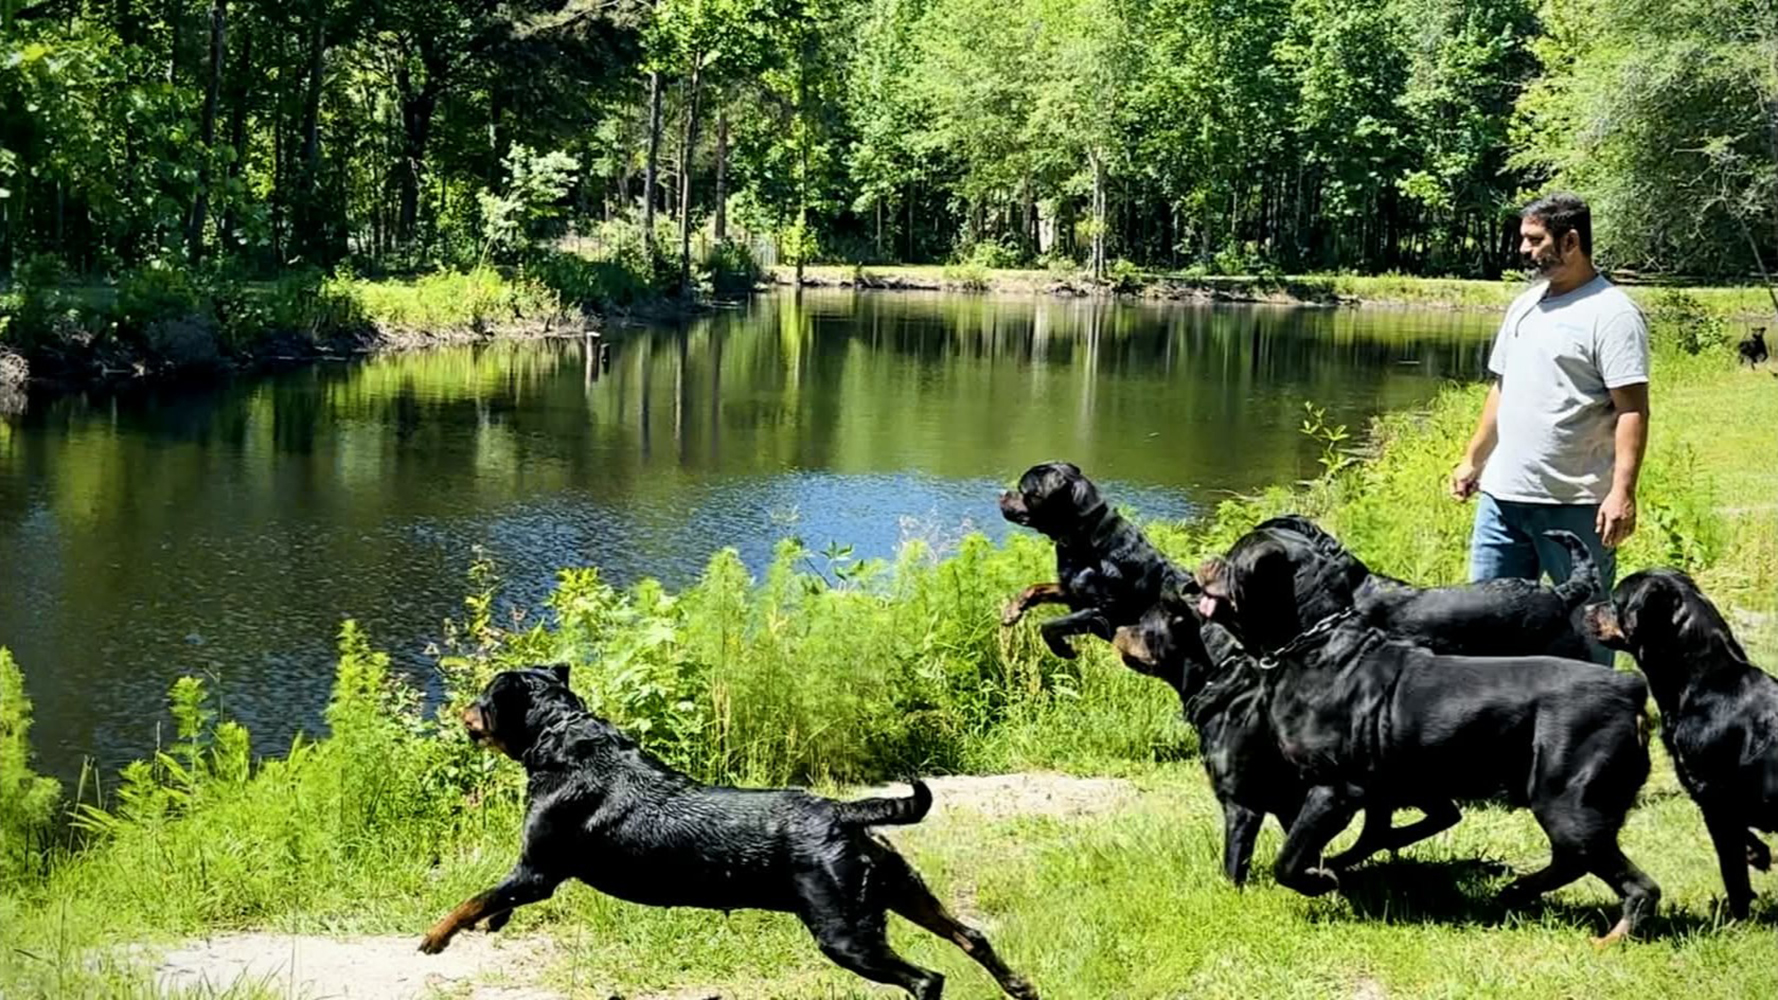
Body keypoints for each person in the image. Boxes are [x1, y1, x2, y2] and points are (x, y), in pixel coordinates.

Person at [1449, 192, 1650, 665]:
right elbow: (1503, 388)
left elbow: (1632, 411)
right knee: (1486, 630)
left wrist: (1622, 492)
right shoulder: (1524, 306)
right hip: (1502, 500)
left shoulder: (1612, 314)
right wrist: (1473, 459)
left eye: (1534, 240)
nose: (1523, 249)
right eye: (1524, 238)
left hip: (1575, 504)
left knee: (1587, 635)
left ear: (1571, 241)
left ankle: (1593, 710)